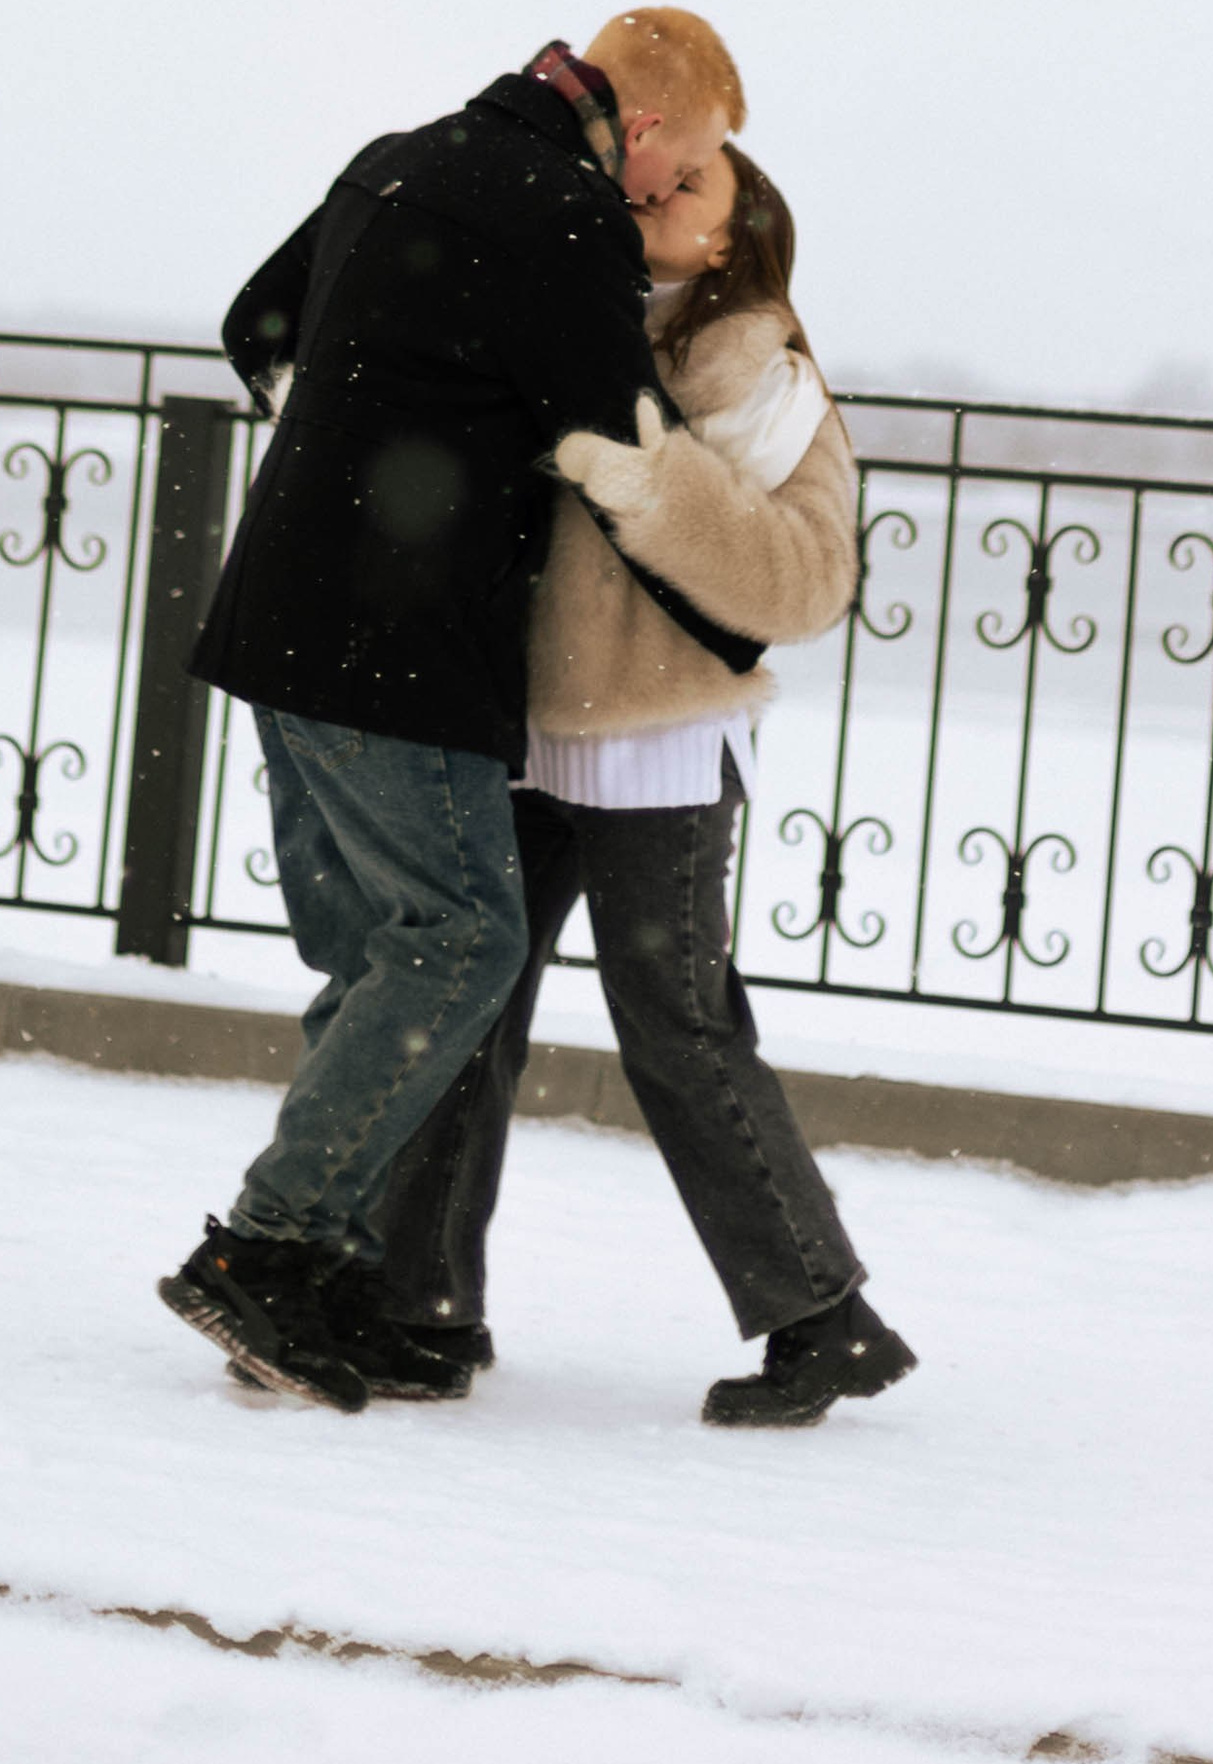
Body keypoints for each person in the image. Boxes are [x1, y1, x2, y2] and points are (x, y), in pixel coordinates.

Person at [157, 10, 746, 1412]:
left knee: (378, 955)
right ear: (648, 127)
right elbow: (628, 446)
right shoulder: (563, 215)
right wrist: (733, 614)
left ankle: (327, 1276)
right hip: (396, 648)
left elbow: (258, 326)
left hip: (281, 623)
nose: (670, 193)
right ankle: (264, 1249)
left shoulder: (400, 160)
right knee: (462, 943)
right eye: (694, 161)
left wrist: (344, 453)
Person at [365, 142, 917, 1429]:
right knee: (467, 1004)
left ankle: (824, 1319)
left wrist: (655, 485)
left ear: (732, 238)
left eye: (690, 191)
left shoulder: (763, 373)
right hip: (526, 728)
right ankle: (421, 1310)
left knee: (675, 1025)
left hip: (660, 739)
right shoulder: (566, 321)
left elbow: (811, 579)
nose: (652, 195)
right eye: (645, 179)